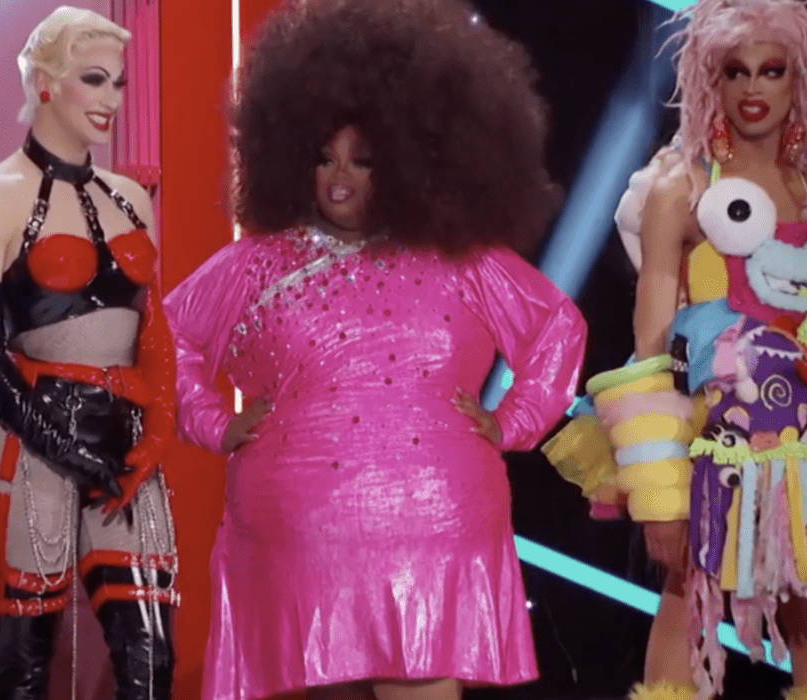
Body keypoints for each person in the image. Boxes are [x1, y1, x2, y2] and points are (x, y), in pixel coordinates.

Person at [165, 2, 586, 699]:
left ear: (407, 161)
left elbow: (557, 328)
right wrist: (211, 422)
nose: (340, 177)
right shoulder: (255, 264)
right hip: (298, 527)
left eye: (363, 161)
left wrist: (514, 420)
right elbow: (166, 338)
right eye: (323, 158)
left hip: (432, 520)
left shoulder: (461, 258)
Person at [542, 2, 807, 699]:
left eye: (771, 70)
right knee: (686, 597)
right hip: (706, 435)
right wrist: (657, 488)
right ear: (710, 80)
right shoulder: (679, 188)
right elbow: (650, 345)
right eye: (735, 71)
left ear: (799, 78)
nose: (753, 88)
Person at [0, 7, 177, 700]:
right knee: (24, 658)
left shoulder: (133, 198)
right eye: (94, 79)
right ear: (44, 82)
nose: (111, 99)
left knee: (151, 657)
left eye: (119, 83)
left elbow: (153, 331)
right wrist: (64, 446)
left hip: (125, 435)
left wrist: (156, 431)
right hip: (28, 433)